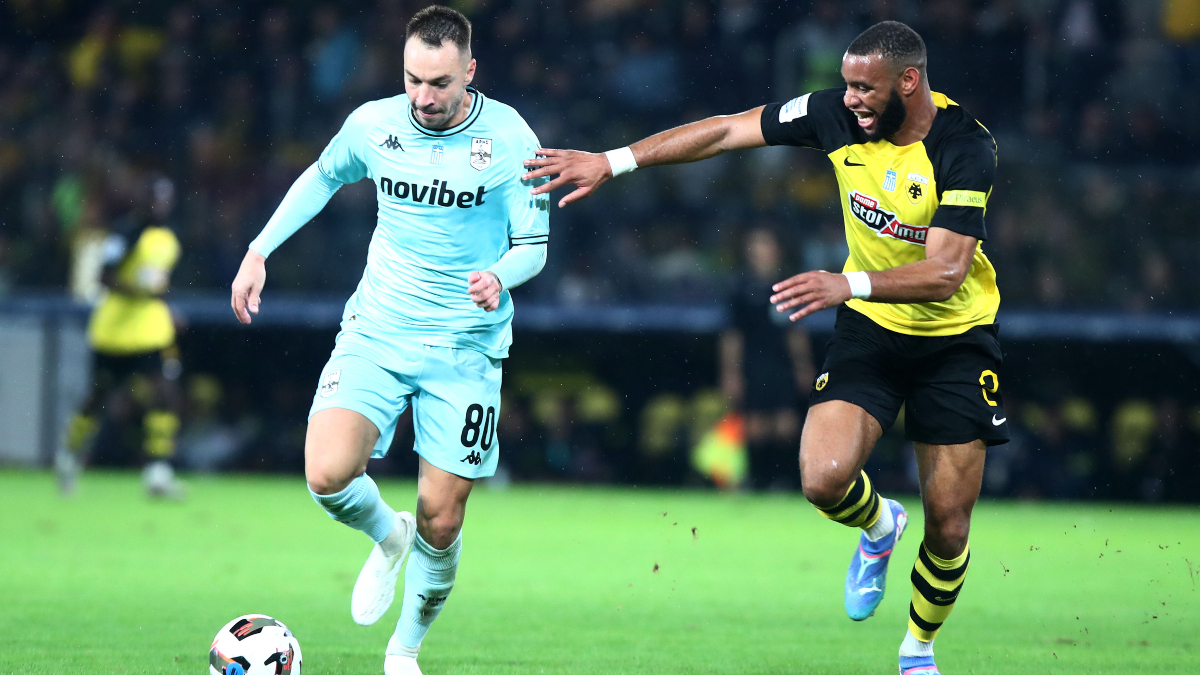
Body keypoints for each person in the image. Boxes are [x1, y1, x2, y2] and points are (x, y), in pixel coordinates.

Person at [524, 21, 1005, 675]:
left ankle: (917, 649)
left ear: (909, 82)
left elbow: (947, 271)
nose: (851, 99)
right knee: (823, 479)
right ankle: (880, 526)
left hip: (954, 339)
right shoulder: (835, 115)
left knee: (948, 525)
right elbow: (727, 130)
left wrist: (846, 282)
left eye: (865, 88)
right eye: (846, 85)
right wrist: (615, 161)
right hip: (871, 328)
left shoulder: (964, 145)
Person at [229, 7, 549, 674]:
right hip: (378, 329)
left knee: (443, 517)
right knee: (326, 474)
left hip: (464, 345)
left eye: (440, 83)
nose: (423, 97)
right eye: (413, 80)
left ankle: (403, 651)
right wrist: (259, 250)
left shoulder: (510, 138)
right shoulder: (373, 125)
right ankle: (387, 533)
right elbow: (322, 176)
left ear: (470, 71)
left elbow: (534, 245)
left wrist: (499, 274)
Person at [58, 175, 185, 499]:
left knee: (165, 393)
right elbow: (104, 277)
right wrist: (141, 293)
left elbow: (159, 284)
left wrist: (166, 307)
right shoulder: (126, 232)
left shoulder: (169, 238)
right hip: (115, 329)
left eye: (166, 199)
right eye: (155, 198)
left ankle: (158, 470)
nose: (161, 205)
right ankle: (69, 454)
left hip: (150, 330)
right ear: (144, 200)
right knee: (98, 396)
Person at [721, 227, 814, 490]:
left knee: (786, 424)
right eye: (756, 245)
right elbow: (732, 336)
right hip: (753, 364)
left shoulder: (787, 285)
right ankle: (757, 480)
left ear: (776, 251)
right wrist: (731, 373)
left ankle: (783, 482)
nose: (761, 251)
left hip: (781, 364)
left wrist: (803, 365)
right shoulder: (740, 289)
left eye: (766, 245)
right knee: (755, 426)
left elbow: (796, 331)